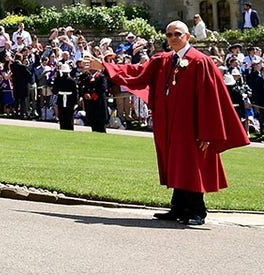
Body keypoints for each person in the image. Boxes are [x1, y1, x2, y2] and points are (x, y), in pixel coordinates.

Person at [84, 21, 250, 226]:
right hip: (170, 124)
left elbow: (210, 99)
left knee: (191, 165)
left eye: (177, 34)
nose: (172, 38)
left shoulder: (200, 62)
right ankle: (178, 208)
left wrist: (208, 132)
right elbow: (137, 71)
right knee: (176, 163)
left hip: (192, 126)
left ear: (188, 36)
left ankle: (198, 210)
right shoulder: (162, 60)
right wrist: (106, 66)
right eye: (169, 34)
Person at [76, 56, 108, 133]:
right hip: (90, 103)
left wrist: (93, 95)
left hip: (98, 101)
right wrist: (86, 93)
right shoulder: (87, 77)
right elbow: (84, 87)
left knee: (100, 122)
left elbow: (103, 88)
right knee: (92, 120)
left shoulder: (101, 77)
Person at [52, 63, 76, 130]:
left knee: (62, 114)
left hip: (61, 98)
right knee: (69, 115)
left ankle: (62, 127)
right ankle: (70, 127)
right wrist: (75, 102)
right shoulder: (72, 81)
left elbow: (54, 91)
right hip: (70, 99)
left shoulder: (57, 80)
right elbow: (75, 92)